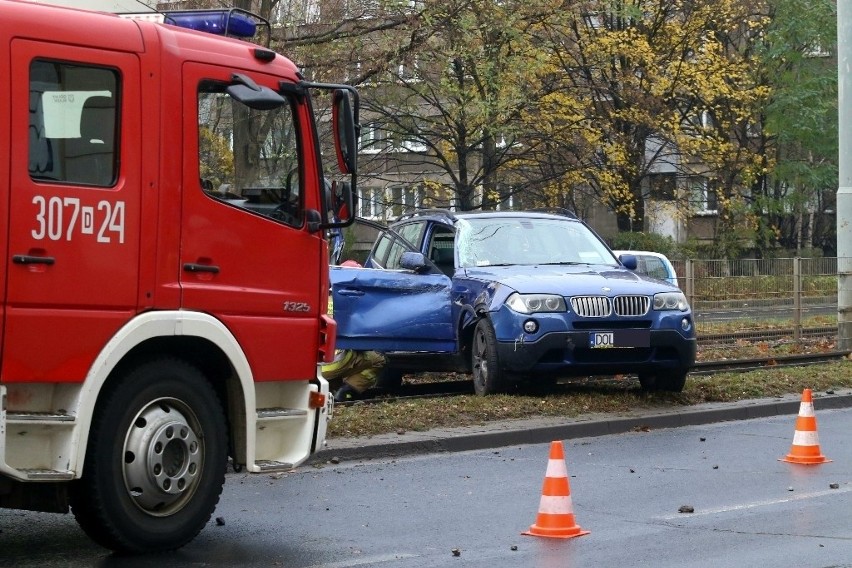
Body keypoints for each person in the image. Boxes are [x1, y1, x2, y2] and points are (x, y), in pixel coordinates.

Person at [323, 258, 387, 402]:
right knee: (379, 359)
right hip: (334, 363)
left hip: (312, 367)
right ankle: (347, 392)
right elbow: (360, 341)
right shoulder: (352, 304)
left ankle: (331, 390)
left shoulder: (321, 300)